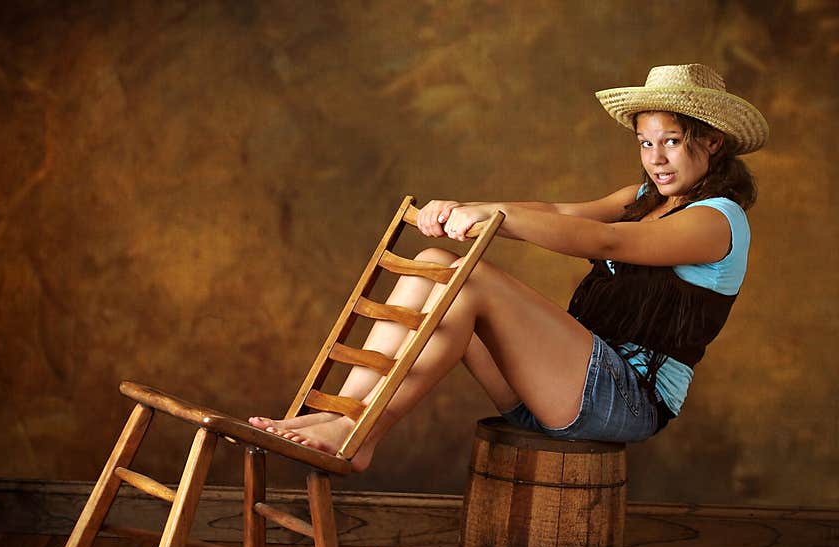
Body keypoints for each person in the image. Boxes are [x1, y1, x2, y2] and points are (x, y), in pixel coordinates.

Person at [249, 63, 769, 473]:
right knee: (434, 264)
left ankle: (358, 434)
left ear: (712, 142)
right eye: (645, 143)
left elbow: (609, 238)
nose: (656, 158)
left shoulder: (716, 221)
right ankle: (347, 419)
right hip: (556, 390)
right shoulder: (640, 196)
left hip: (625, 401)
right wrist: (465, 206)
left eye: (672, 141)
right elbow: (563, 213)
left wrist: (493, 220)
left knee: (469, 281)